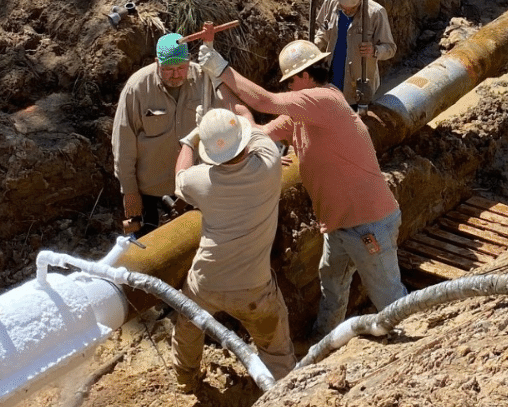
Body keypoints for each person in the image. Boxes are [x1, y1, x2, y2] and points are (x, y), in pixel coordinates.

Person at [199, 39, 407, 341]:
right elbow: (257, 130)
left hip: (368, 222)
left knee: (389, 298)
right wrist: (219, 83)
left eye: (290, 81)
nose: (288, 89)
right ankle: (323, 344)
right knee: (332, 287)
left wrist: (222, 67)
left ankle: (417, 349)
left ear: (305, 76)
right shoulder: (302, 114)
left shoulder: (323, 100)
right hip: (339, 225)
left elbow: (265, 101)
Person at [169, 108, 296, 391]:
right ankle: (284, 392)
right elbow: (253, 128)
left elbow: (180, 176)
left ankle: (185, 379)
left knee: (189, 325)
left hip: (206, 281)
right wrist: (239, 110)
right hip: (253, 287)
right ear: (244, 142)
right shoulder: (270, 161)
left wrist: (190, 140)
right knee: (275, 347)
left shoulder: (200, 180)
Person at [111, 32, 247, 236]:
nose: (175, 75)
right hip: (151, 191)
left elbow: (225, 122)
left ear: (189, 61)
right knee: (148, 245)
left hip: (193, 186)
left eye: (181, 68)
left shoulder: (203, 80)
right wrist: (130, 193)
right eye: (168, 69)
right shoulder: (137, 89)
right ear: (157, 63)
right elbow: (124, 146)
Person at [313, 0, 396, 108]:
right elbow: (323, 30)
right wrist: (315, 44)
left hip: (359, 90)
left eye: (351, 8)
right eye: (343, 7)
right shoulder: (330, 2)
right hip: (331, 81)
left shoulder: (376, 13)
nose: (346, 10)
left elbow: (390, 48)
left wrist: (374, 50)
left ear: (360, 0)